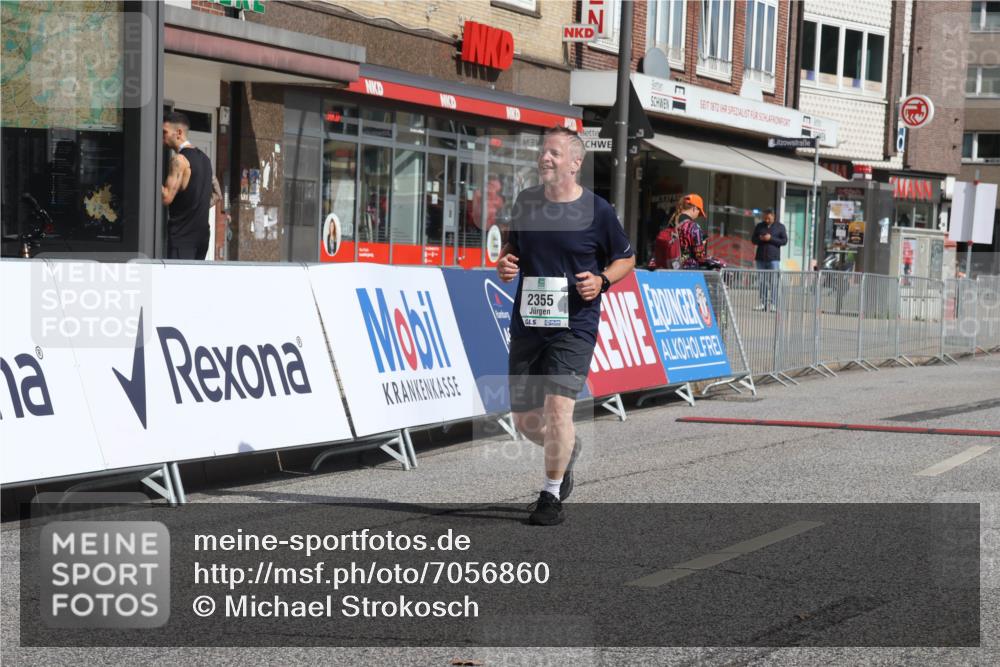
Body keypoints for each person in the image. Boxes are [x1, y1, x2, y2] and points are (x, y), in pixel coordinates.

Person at [496, 126, 635, 526]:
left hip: (574, 325)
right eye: (543, 152)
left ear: (576, 163)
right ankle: (566, 452)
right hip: (529, 323)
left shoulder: (598, 211)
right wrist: (504, 264)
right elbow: (512, 251)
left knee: (559, 411)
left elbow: (626, 259)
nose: (545, 158)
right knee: (525, 421)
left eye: (554, 153)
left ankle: (550, 495)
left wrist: (603, 280)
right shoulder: (526, 203)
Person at [162, 111, 216, 260]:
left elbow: (166, 197)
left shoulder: (179, 160)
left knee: (177, 283)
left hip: (182, 238)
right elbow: (214, 195)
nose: (162, 137)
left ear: (178, 132)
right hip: (201, 238)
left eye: (164, 132)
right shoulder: (205, 159)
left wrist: (146, 174)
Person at [751, 208, 788, 310]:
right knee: (762, 281)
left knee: (774, 281)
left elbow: (784, 241)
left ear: (773, 216)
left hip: (773, 258)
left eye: (768, 218)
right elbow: (753, 240)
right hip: (760, 258)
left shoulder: (780, 227)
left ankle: (774, 303)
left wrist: (770, 238)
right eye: (765, 218)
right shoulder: (759, 226)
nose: (766, 220)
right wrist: (760, 239)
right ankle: (763, 303)